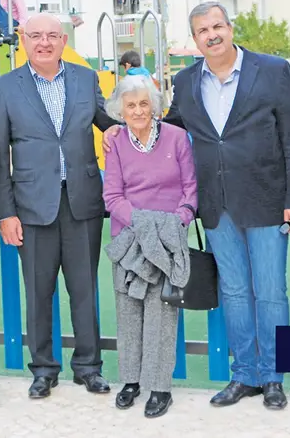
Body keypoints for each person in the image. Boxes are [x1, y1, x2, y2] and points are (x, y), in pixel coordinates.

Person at [103, 1, 290, 410]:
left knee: (271, 292)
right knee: (233, 291)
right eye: (201, 31)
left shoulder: (273, 70)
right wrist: (121, 131)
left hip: (266, 199)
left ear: (230, 27)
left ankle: (273, 376)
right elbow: (167, 124)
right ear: (195, 40)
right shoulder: (190, 80)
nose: (211, 35)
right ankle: (245, 374)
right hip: (216, 205)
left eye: (216, 27)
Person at [0, 13, 118, 399]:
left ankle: (89, 367)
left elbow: (103, 119)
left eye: (51, 36)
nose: (43, 42)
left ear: (64, 40)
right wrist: (6, 213)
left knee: (84, 289)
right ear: (23, 40)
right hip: (31, 207)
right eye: (35, 36)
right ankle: (44, 369)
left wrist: (114, 127)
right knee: (38, 291)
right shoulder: (5, 88)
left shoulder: (85, 78)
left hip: (82, 201)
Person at [102, 74, 197, 418]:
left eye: (145, 103)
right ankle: (130, 381)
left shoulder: (176, 138)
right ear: (121, 110)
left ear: (155, 106)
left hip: (169, 238)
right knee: (128, 313)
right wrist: (145, 225)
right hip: (129, 239)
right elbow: (112, 196)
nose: (139, 110)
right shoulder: (115, 143)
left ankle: (160, 387)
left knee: (162, 314)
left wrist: (179, 221)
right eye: (131, 105)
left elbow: (190, 188)